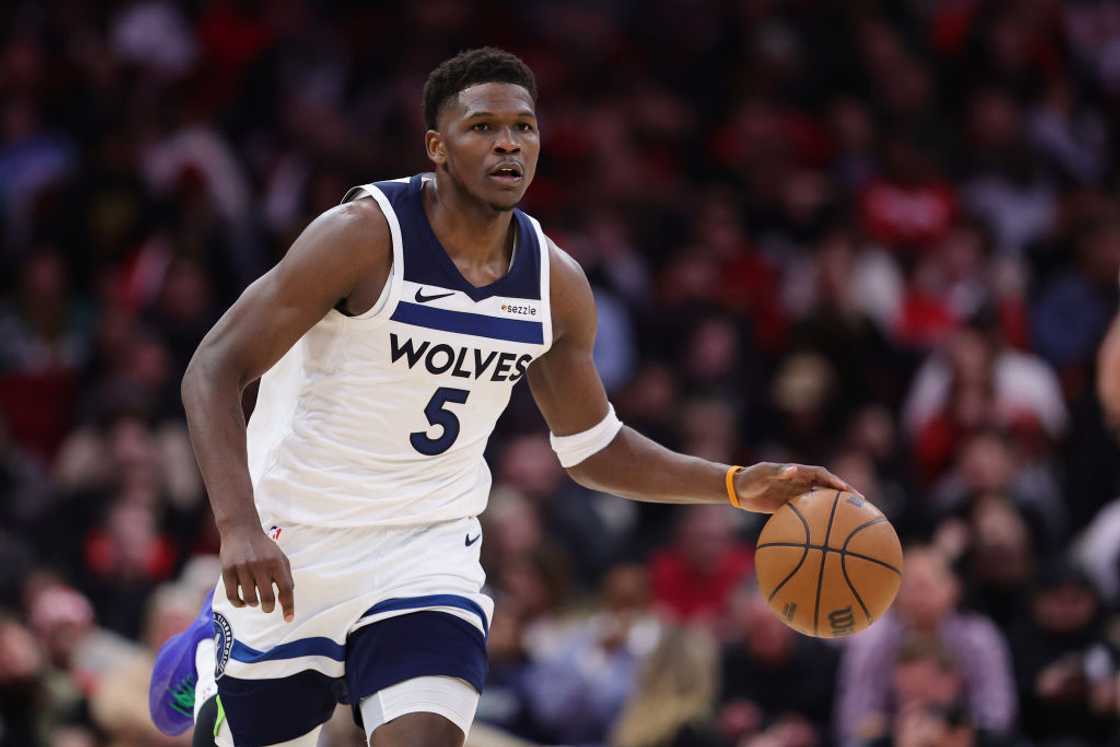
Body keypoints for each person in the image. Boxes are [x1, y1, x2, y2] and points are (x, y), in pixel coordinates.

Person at [148, 47, 851, 747]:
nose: (509, 142)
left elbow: (594, 447)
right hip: (294, 540)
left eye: (524, 126)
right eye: (483, 127)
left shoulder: (555, 283)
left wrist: (733, 483)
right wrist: (237, 526)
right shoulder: (363, 237)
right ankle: (213, 649)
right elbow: (212, 367)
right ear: (438, 148)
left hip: (426, 546)